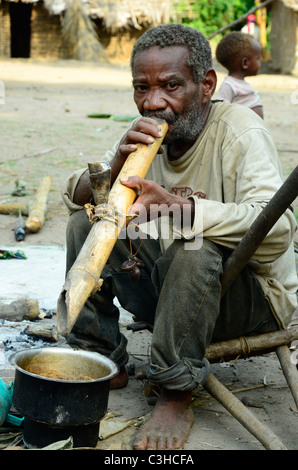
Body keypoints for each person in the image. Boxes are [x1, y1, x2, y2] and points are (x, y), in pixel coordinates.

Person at [62, 24, 297, 450]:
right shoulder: (148, 132)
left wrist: (178, 208)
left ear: (205, 85)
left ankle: (174, 392)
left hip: (249, 298)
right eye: (142, 88)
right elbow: (78, 200)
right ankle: (100, 356)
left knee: (195, 246)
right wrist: (116, 162)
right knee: (86, 223)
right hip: (175, 289)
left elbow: (277, 230)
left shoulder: (240, 132)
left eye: (171, 86)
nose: (153, 102)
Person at [215, 31, 264, 118]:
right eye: (258, 59)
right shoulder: (229, 85)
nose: (260, 63)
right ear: (245, 63)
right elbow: (221, 111)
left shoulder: (240, 83)